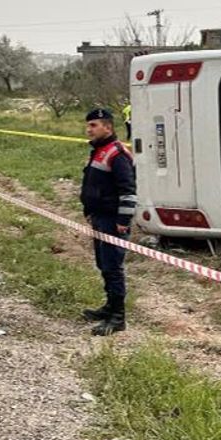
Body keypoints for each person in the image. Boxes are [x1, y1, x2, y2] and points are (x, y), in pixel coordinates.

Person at [79, 108, 138, 336]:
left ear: (108, 127)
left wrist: (123, 220)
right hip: (99, 218)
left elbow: (128, 191)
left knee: (113, 268)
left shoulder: (117, 154)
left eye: (94, 125)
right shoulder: (99, 150)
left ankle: (117, 318)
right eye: (88, 125)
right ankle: (108, 307)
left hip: (113, 220)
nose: (89, 129)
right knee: (103, 264)